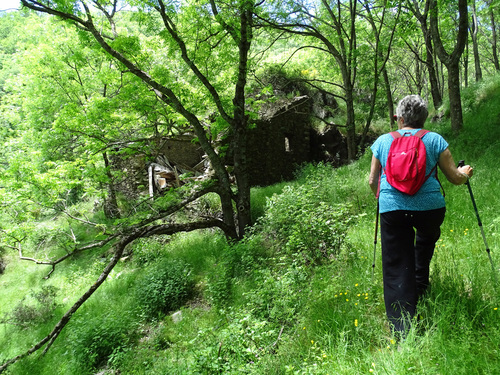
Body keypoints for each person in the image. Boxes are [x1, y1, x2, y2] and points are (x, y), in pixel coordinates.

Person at [368, 95, 474, 336]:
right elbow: (455, 178)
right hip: (429, 209)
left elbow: (373, 180)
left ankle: (403, 330)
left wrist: (381, 197)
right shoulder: (435, 140)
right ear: (424, 118)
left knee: (396, 263)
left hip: (392, 210)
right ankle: (420, 285)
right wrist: (465, 172)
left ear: (401, 118)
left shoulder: (383, 142)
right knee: (424, 243)